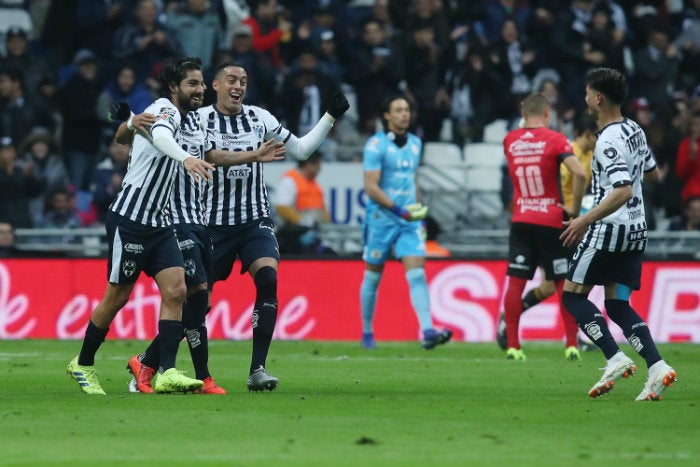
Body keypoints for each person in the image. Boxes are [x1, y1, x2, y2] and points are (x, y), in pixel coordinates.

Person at [131, 60, 348, 392]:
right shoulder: (198, 118)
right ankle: (148, 360)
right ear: (215, 86)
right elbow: (213, 156)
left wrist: (329, 116)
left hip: (254, 220)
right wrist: (253, 155)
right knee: (196, 303)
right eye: (231, 79)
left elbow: (302, 149)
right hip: (211, 224)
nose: (238, 86)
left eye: (243, 81)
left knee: (268, 278)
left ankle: (257, 370)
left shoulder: (260, 117)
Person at [65, 56, 215, 395]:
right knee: (116, 297)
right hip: (130, 220)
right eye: (193, 84)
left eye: (202, 83)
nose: (200, 90)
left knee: (177, 290)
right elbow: (162, 137)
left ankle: (167, 371)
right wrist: (186, 158)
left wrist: (131, 125)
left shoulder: (171, 114)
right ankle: (84, 363)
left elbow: (122, 136)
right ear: (175, 87)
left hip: (159, 223)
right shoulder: (167, 110)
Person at [560, 67, 677, 401]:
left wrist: (583, 220)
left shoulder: (607, 140)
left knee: (572, 296)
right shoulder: (634, 129)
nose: (585, 98)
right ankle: (656, 367)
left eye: (586, 93)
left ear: (598, 98)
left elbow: (623, 190)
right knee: (616, 303)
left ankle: (615, 357)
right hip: (637, 230)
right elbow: (654, 175)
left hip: (610, 230)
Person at [496, 114, 598, 351]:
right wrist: (568, 213)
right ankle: (575, 339)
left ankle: (510, 317)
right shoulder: (567, 157)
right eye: (596, 136)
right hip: (558, 223)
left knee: (554, 286)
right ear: (586, 134)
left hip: (572, 222)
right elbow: (556, 189)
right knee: (567, 282)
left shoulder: (590, 156)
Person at [359, 95, 452, 350]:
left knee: (417, 274)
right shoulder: (375, 145)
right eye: (398, 110)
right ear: (386, 116)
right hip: (382, 219)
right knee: (373, 277)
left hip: (409, 221)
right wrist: (400, 210)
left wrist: (418, 210)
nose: (404, 114)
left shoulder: (415, 143)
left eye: (407, 109)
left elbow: (412, 180)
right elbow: (370, 187)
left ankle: (428, 330)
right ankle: (367, 333)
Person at [274, 151, 333, 255]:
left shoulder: (314, 183)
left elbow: (322, 208)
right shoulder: (289, 180)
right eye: (318, 164)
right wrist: (304, 222)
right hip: (293, 238)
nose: (320, 169)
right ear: (309, 164)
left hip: (312, 235)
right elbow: (282, 208)